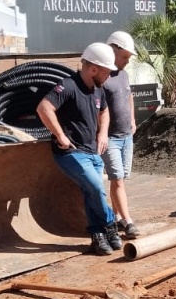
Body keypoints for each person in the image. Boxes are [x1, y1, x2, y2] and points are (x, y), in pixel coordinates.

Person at [36, 42, 122, 255]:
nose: (109, 76)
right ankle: (110, 224)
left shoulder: (98, 90)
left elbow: (104, 111)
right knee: (96, 188)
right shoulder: (68, 86)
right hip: (71, 153)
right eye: (107, 72)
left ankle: (97, 235)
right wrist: (60, 135)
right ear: (93, 69)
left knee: (91, 193)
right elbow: (44, 108)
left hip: (92, 152)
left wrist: (103, 133)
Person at [101, 30, 140, 241]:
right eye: (124, 57)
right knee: (117, 179)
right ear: (112, 50)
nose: (127, 61)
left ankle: (117, 217)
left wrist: (132, 119)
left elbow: (129, 96)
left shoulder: (123, 75)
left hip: (126, 136)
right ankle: (128, 221)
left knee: (120, 179)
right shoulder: (103, 77)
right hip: (111, 138)